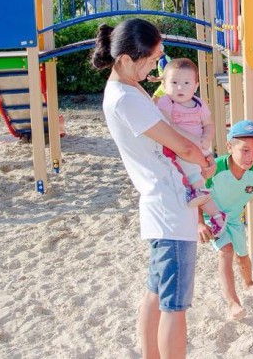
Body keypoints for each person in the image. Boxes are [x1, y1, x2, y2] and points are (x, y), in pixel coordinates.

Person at [91, 19, 216, 359]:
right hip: (170, 205)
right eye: (152, 59)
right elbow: (180, 145)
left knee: (156, 293)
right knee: (174, 305)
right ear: (126, 59)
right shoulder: (125, 98)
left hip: (161, 201)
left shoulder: (129, 88)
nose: (156, 67)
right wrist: (204, 160)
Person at [198, 120, 253, 319]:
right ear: (230, 147)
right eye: (245, 150)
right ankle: (233, 304)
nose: (251, 156)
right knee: (226, 251)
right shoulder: (215, 168)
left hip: (233, 218)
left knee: (242, 253)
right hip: (211, 215)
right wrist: (199, 223)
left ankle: (248, 283)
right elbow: (196, 192)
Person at [156, 58, 226, 236]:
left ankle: (210, 209)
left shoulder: (200, 103)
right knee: (197, 182)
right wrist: (193, 140)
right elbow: (169, 125)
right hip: (182, 147)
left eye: (186, 83)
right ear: (164, 84)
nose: (180, 87)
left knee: (197, 184)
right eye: (174, 83)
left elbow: (209, 125)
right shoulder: (166, 102)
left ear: (195, 86)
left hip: (196, 148)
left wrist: (206, 138)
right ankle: (217, 216)